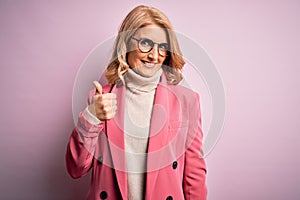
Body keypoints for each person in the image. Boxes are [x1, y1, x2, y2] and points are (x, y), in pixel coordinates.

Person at [66, 5, 207, 200]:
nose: (154, 55)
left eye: (162, 47)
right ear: (127, 44)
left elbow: (195, 174)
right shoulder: (100, 99)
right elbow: (76, 169)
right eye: (146, 43)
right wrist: (92, 116)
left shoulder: (187, 101)